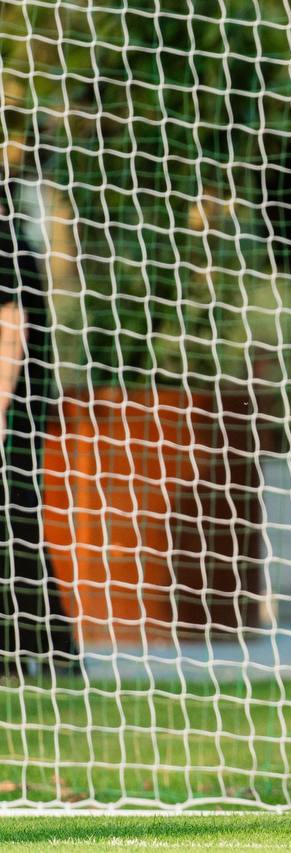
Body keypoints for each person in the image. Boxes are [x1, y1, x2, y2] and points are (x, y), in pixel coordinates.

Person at [0, 89, 79, 680]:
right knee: (17, 521)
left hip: (12, 406)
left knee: (14, 519)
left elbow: (11, 326)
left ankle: (44, 649)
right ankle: (44, 648)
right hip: (20, 404)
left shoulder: (4, 237)